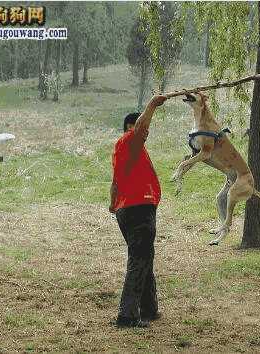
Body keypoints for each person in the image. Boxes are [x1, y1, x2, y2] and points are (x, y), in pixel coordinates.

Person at [109, 95, 167, 328]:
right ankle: (127, 315)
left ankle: (149, 308)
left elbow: (115, 183)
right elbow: (142, 128)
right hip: (139, 208)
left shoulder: (123, 152)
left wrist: (113, 204)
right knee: (139, 258)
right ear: (131, 127)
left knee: (144, 257)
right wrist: (152, 104)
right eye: (141, 126)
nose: (146, 133)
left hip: (126, 209)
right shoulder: (129, 141)